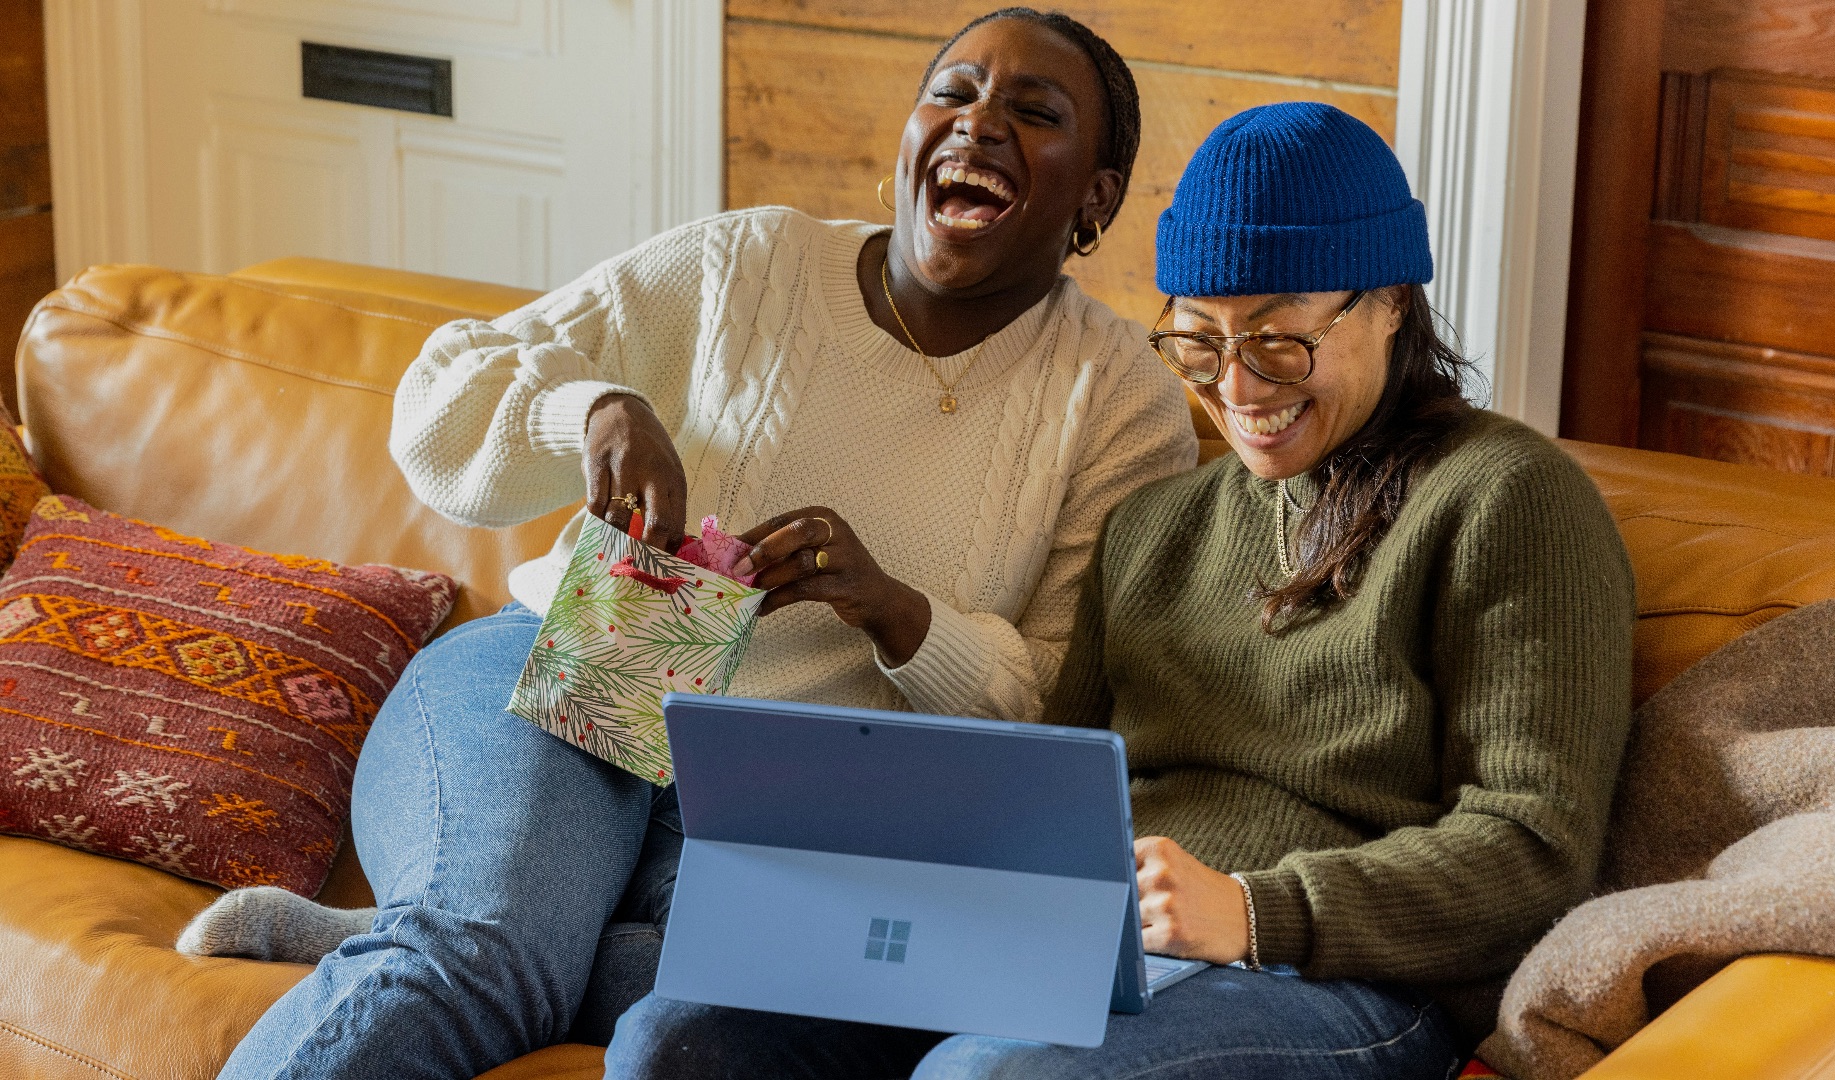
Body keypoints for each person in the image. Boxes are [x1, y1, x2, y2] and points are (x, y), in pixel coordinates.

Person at [200, 9, 1196, 1079]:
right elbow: (439, 398)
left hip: (793, 799)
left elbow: (1062, 707)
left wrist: (897, 611)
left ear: (1095, 196)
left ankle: (443, 924)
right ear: (910, 136)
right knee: (480, 956)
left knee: (772, 995)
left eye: (1035, 113)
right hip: (577, 668)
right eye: (952, 93)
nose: (980, 123)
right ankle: (469, 930)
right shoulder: (750, 263)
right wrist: (594, 412)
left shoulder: (1122, 402)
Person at [606, 103, 1636, 1080]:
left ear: (1390, 305)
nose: (1237, 390)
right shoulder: (1153, 530)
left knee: (994, 1075)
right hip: (1088, 944)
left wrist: (1255, 910)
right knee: (676, 1037)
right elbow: (1050, 794)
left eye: (1279, 341)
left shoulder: (1508, 497)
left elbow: (1532, 846)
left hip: (1339, 977)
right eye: (1199, 341)